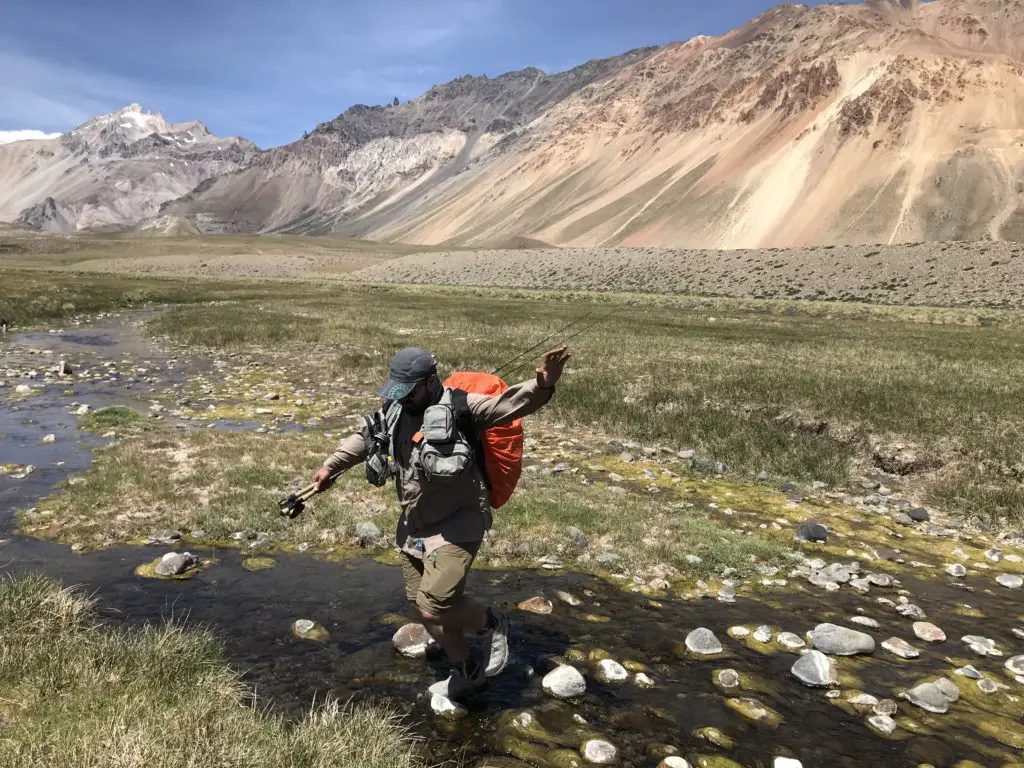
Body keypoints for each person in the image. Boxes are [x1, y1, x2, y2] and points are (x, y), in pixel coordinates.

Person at [311, 345, 570, 700]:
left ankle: (492, 624)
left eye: (409, 391)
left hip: (458, 524)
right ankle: (469, 672)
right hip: (414, 525)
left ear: (429, 381)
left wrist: (542, 385)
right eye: (397, 391)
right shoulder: (395, 409)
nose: (402, 398)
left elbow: (510, 404)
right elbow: (364, 439)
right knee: (422, 606)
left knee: (435, 603)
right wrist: (330, 467)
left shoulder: (465, 408)